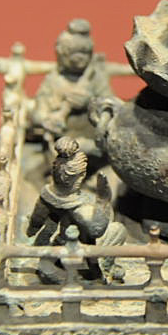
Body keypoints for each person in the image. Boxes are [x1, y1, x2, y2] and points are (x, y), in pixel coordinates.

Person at [26, 137, 126, 284]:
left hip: (57, 243)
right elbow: (97, 229)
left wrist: (31, 230)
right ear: (80, 176)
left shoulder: (48, 194)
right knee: (118, 230)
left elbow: (36, 221)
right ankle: (104, 268)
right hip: (73, 247)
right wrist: (103, 200)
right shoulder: (80, 208)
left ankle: (90, 266)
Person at [31, 19, 114, 169]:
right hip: (62, 143)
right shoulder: (53, 81)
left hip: (91, 141)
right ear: (62, 54)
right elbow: (37, 114)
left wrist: (90, 102)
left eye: (85, 53)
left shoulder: (96, 78)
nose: (79, 59)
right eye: (73, 53)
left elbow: (111, 106)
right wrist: (48, 120)